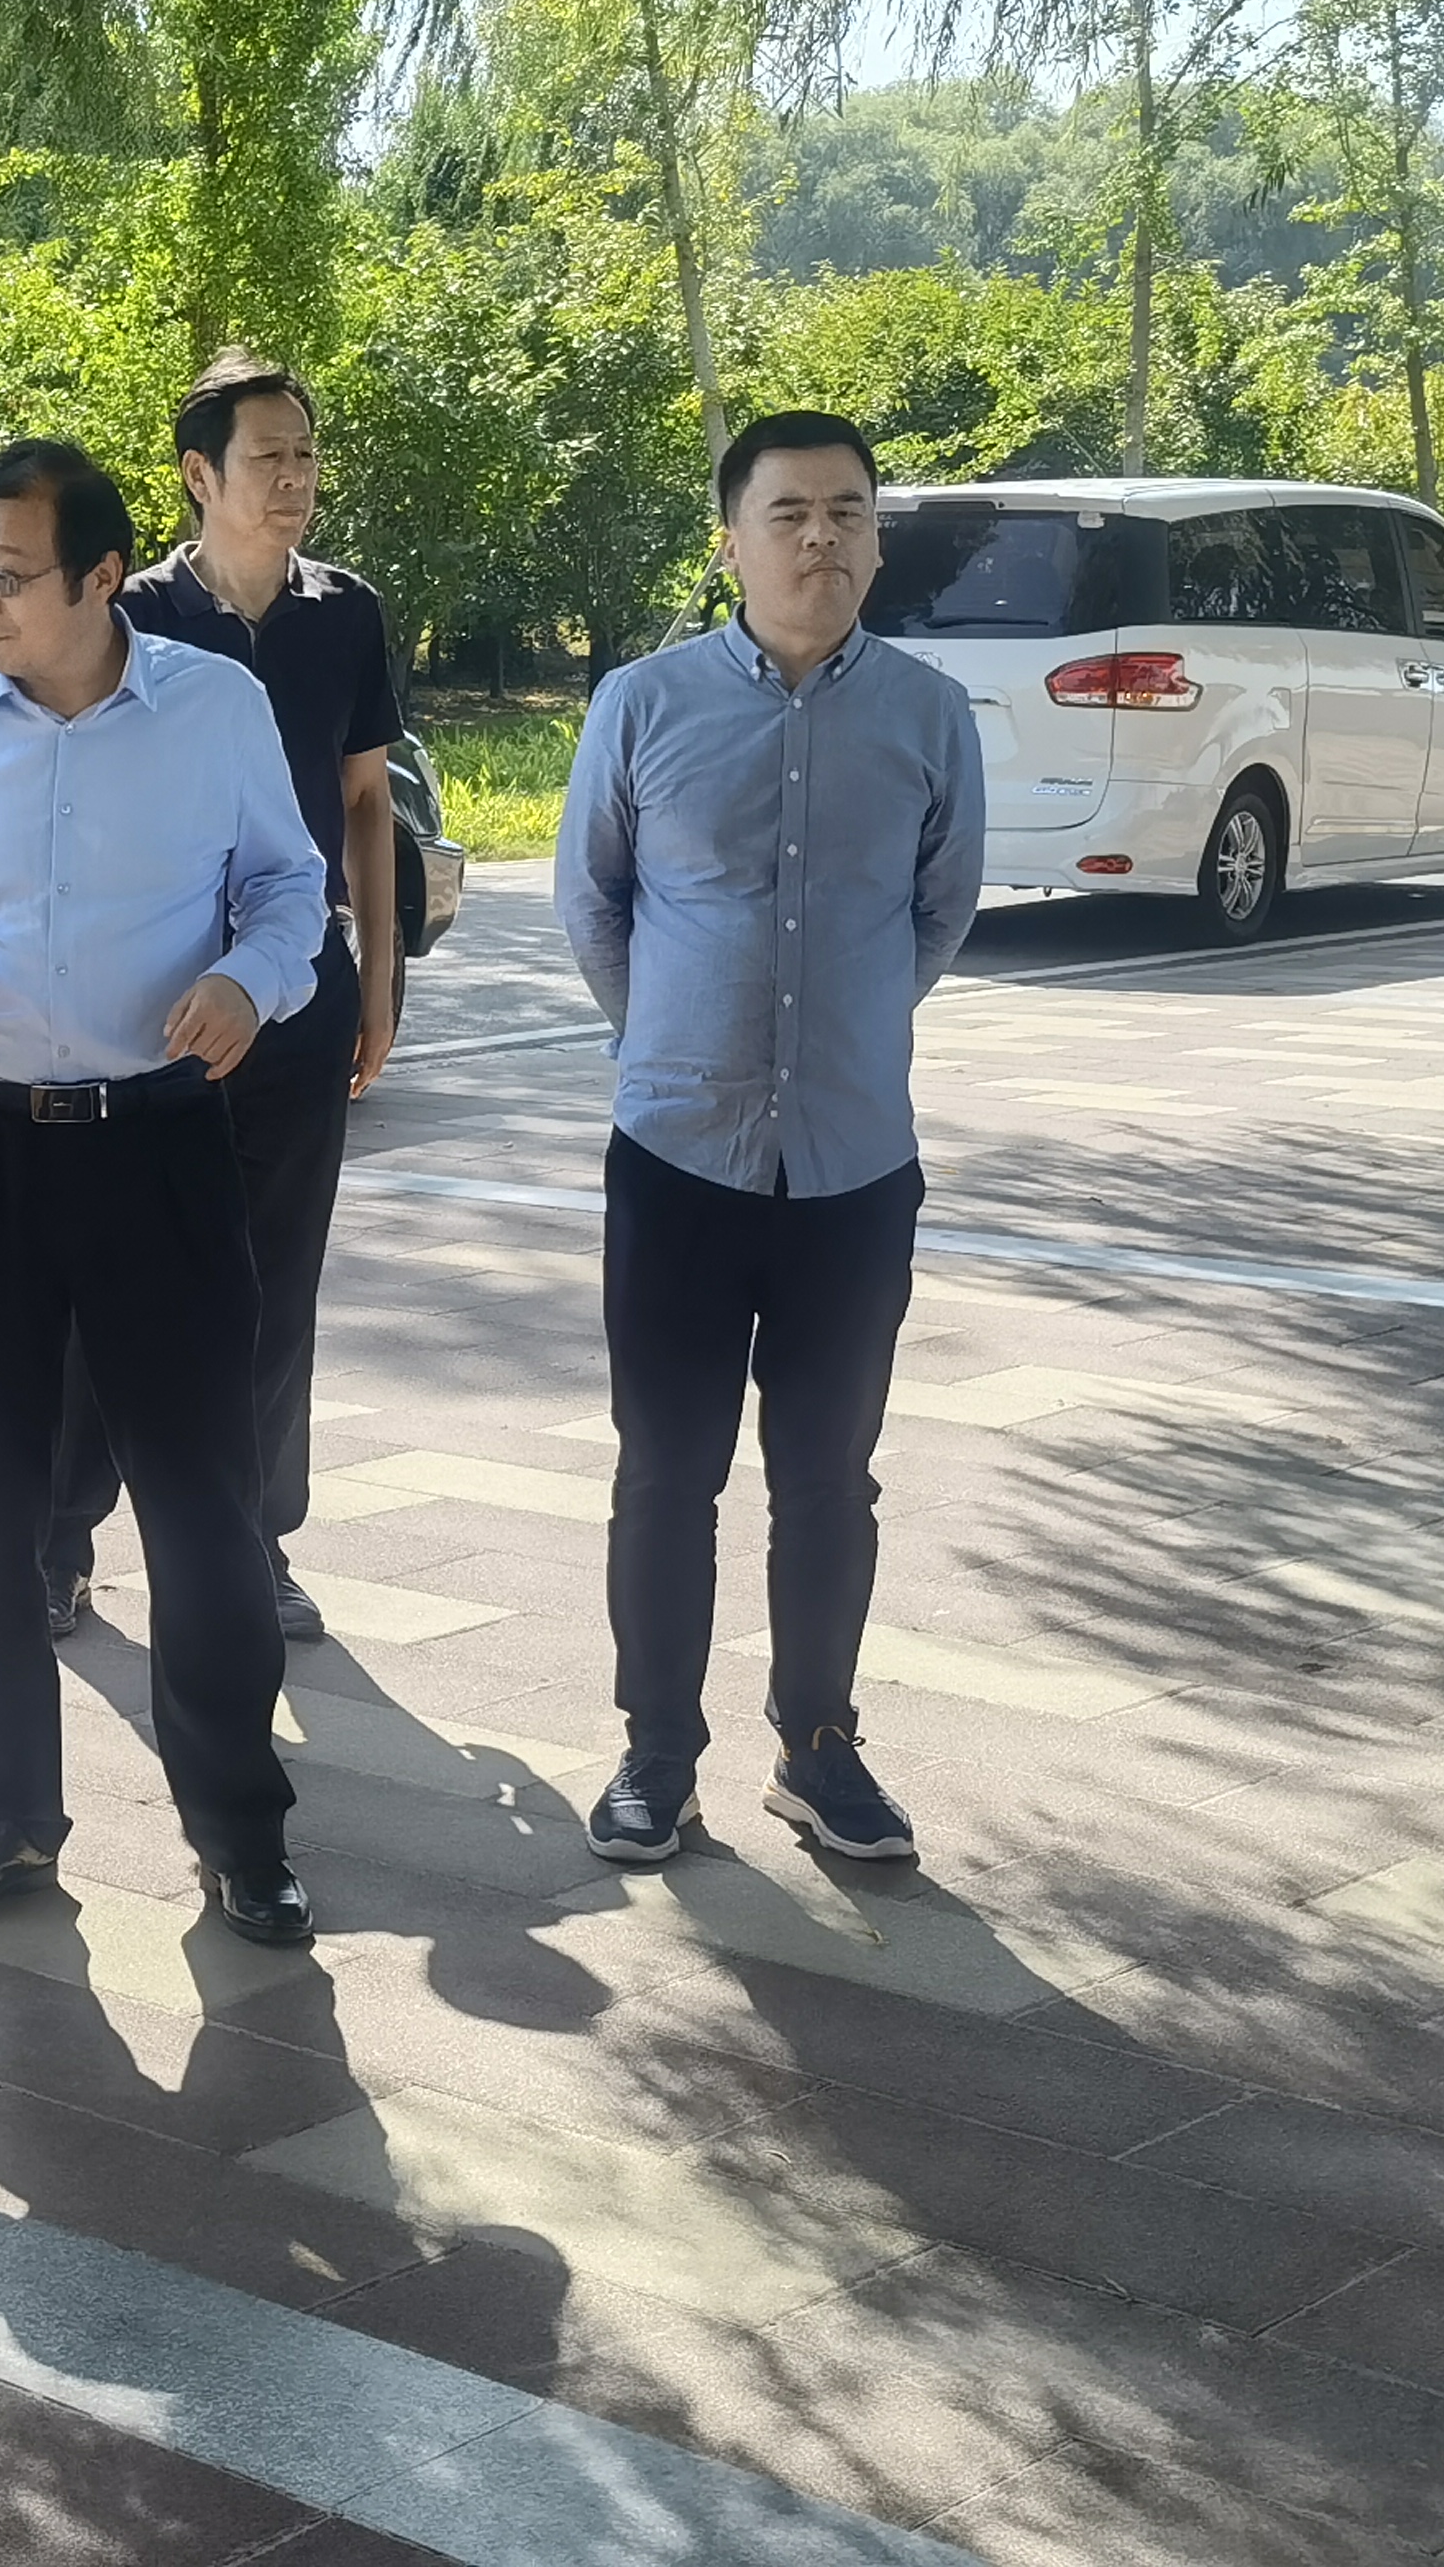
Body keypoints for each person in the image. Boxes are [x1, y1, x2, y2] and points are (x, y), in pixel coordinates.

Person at [0, 440, 330, 1948]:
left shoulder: (212, 706)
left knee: (203, 1506)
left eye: (9, 574)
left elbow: (289, 887)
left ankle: (241, 1832)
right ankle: (1, 1818)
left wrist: (249, 982)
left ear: (102, 576)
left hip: (159, 1145)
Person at [557, 408, 983, 1870]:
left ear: (876, 537)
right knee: (665, 1471)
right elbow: (594, 902)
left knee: (827, 1477)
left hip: (852, 1166)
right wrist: (676, 1040)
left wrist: (835, 1039)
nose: (821, 539)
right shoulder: (643, 703)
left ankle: (818, 1747)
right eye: (789, 513)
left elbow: (939, 912)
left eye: (848, 512)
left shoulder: (929, 714)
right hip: (677, 1158)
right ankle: (656, 1754)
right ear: (732, 539)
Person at [42, 353, 405, 1650]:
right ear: (199, 475)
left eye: (306, 454)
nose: (294, 478)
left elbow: (364, 801)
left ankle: (254, 1540)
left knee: (274, 1282)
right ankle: (56, 1541)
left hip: (297, 995)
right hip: (152, 1010)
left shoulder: (345, 613)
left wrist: (379, 976)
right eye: (268, 457)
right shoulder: (127, 616)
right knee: (115, 1281)